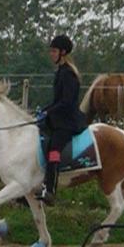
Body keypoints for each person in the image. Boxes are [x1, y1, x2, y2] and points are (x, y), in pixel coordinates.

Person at [35, 34, 86, 205]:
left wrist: (49, 113)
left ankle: (50, 189)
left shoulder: (69, 74)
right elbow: (57, 102)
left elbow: (66, 102)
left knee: (54, 148)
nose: (51, 54)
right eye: (51, 51)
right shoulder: (60, 72)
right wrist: (44, 110)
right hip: (59, 119)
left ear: (63, 52)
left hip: (68, 122)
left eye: (54, 51)